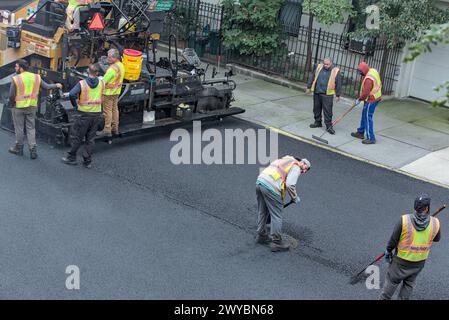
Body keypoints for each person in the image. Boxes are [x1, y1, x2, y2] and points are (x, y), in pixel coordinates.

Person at [380, 194, 441, 300]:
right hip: (418, 263)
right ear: (427, 208)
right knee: (408, 285)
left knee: (391, 283)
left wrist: (388, 251)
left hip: (400, 262)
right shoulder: (435, 223)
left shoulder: (404, 220)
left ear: (415, 207)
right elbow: (436, 238)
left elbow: (393, 241)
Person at [8, 59, 62, 159]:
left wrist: (12, 103)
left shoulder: (16, 78)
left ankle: (18, 148)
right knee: (31, 128)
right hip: (32, 107)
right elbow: (46, 87)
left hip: (18, 107)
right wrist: (56, 85)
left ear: (21, 68)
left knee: (19, 128)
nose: (15, 68)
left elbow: (11, 95)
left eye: (16, 66)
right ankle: (33, 149)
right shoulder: (36, 77)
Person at [256, 156, 311, 252]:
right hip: (271, 187)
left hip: (260, 182)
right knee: (276, 215)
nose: (304, 171)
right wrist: (294, 197)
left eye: (306, 171)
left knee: (263, 211)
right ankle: (276, 242)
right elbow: (290, 184)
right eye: (305, 168)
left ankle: (261, 235)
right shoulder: (296, 166)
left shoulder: (286, 159)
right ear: (302, 162)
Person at [62, 64, 104, 168]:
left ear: (88, 72)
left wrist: (75, 106)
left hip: (84, 115)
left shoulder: (82, 84)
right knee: (90, 139)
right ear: (97, 73)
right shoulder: (102, 83)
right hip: (96, 115)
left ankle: (71, 157)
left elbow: (72, 94)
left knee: (78, 137)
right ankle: (87, 161)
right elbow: (102, 97)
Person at [306, 57, 342, 135]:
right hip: (317, 92)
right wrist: (309, 87)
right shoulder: (319, 67)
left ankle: (329, 126)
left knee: (328, 111)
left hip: (327, 95)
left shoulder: (335, 71)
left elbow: (338, 83)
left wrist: (338, 95)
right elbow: (312, 76)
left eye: (327, 64)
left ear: (331, 63)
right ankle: (317, 122)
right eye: (324, 64)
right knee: (316, 108)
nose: (325, 65)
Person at [351, 62, 382, 144]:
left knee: (368, 117)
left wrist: (359, 99)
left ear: (364, 70)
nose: (360, 74)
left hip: (371, 99)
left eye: (360, 72)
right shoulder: (373, 71)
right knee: (365, 114)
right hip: (376, 96)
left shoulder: (368, 79)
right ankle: (361, 132)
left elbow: (365, 93)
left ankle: (371, 138)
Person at [100, 48, 125, 137]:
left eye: (109, 57)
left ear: (115, 58)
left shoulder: (112, 70)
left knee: (107, 111)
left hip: (108, 93)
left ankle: (107, 130)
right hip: (117, 92)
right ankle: (115, 128)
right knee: (115, 110)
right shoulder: (121, 65)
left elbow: (103, 81)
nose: (108, 59)